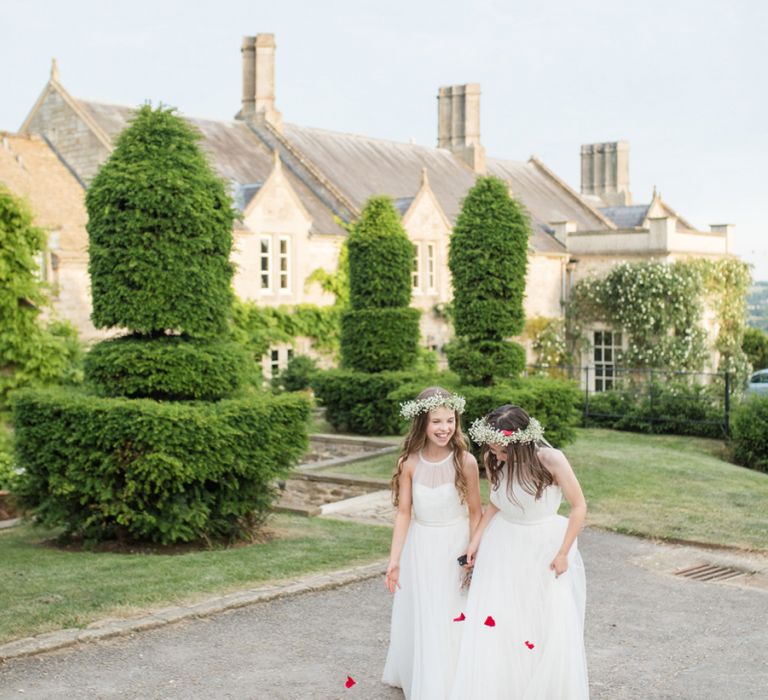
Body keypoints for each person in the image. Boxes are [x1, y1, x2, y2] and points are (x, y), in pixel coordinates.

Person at [451, 404, 589, 700]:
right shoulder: (494, 457)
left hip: (543, 545)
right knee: (504, 616)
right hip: (504, 542)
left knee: (539, 615)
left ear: (523, 442)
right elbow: (496, 503)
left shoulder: (551, 459)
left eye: (503, 451)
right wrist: (475, 541)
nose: (497, 456)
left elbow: (579, 506)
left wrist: (564, 552)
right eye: (493, 449)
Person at [382, 387, 482, 699]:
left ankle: (452, 676)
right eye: (436, 421)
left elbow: (476, 512)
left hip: (455, 543)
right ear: (422, 423)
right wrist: (395, 559)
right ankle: (425, 674)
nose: (444, 428)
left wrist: (473, 550)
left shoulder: (465, 462)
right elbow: (403, 513)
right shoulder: (408, 463)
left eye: (449, 420)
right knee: (425, 609)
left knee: (453, 609)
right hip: (421, 544)